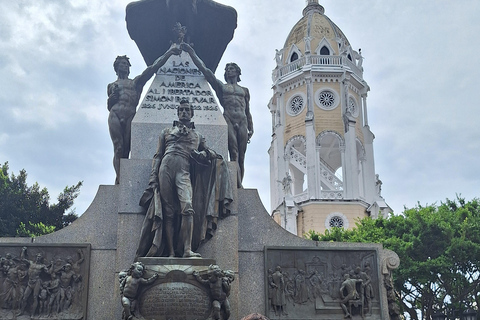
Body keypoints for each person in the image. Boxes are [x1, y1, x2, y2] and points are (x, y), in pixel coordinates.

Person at [136, 98, 233, 258]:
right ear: (178, 112)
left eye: (187, 110)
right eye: (181, 110)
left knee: (187, 207)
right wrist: (153, 177)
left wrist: (204, 153)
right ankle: (172, 253)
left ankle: (187, 250)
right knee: (168, 212)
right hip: (166, 167)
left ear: (192, 113)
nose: (184, 112)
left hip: (184, 170)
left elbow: (211, 153)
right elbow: (158, 155)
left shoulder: (198, 136)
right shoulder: (166, 132)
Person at [182, 43, 253, 188]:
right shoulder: (222, 87)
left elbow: (247, 110)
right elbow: (206, 71)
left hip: (243, 120)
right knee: (233, 152)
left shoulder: (244, 90)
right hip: (228, 118)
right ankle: (236, 184)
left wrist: (251, 127)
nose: (229, 71)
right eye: (227, 69)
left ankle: (240, 184)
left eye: (232, 69)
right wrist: (191, 53)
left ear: (237, 72)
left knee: (242, 157)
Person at [107, 45, 181, 184]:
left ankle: (124, 176)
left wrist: (169, 52)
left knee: (127, 148)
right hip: (115, 114)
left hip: (130, 115)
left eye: (126, 64)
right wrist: (111, 98)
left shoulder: (135, 82)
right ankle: (119, 178)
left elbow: (152, 68)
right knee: (118, 147)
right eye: (121, 64)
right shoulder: (111, 85)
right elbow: (109, 105)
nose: (124, 66)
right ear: (116, 67)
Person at [18, 247, 50, 317]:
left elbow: (49, 273)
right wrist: (23, 251)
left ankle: (32, 314)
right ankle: (22, 311)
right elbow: (22, 259)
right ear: (36, 257)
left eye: (40, 257)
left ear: (41, 258)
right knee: (24, 297)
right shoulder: (31, 263)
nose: (38, 258)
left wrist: (52, 265)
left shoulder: (42, 266)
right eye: (37, 256)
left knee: (35, 297)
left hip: (37, 282)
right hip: (30, 282)